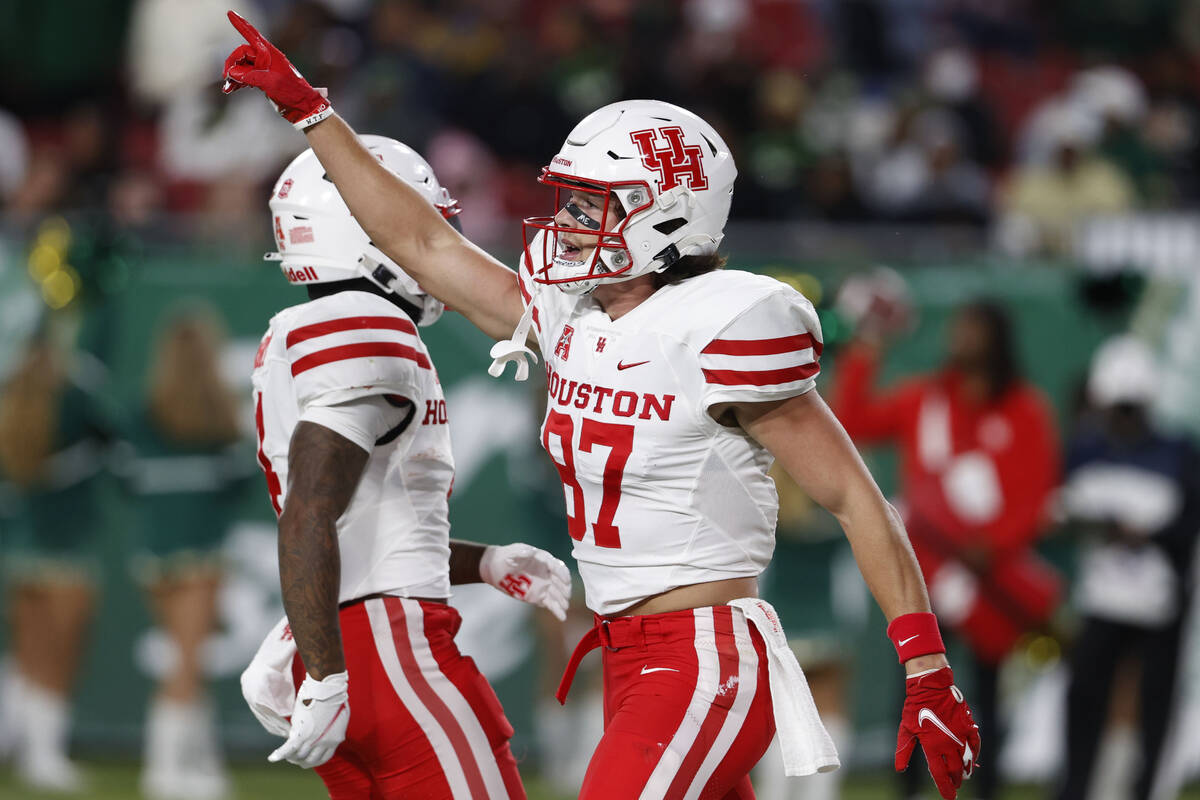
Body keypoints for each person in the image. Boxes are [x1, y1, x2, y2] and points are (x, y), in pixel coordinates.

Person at [220, 13, 980, 799]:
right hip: (626, 654)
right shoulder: (570, 316)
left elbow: (855, 496)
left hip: (705, 656)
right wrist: (313, 115)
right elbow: (425, 246)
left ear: (669, 213)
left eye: (593, 206)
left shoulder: (721, 325)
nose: (569, 225)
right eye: (572, 203)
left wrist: (925, 664)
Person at [236, 134, 572, 799]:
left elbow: (364, 532)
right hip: (389, 659)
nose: (431, 240)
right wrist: (332, 674)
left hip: (344, 647)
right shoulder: (366, 323)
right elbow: (311, 509)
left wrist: (484, 563)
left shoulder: (297, 331)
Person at [830, 294, 1061, 800]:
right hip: (929, 577)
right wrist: (867, 348)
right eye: (958, 326)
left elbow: (1037, 493)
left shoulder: (1024, 409)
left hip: (991, 579)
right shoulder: (924, 399)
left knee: (990, 692)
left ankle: (988, 786)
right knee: (917, 685)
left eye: (972, 326)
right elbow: (852, 422)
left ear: (996, 338)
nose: (960, 336)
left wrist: (994, 544)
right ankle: (908, 789)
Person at [1056, 336, 1199, 800]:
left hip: (1160, 602)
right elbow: (1062, 511)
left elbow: (1187, 523)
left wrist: (1147, 535)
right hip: (1102, 599)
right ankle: (1076, 789)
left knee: (1155, 709)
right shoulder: (1085, 450)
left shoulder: (1177, 452)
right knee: (1084, 701)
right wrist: (1101, 526)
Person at [119, 307, 254, 800]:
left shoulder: (141, 413)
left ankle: (199, 762)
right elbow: (238, 484)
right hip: (201, 553)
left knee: (184, 657)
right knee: (186, 661)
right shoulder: (221, 416)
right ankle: (162, 770)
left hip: (153, 555)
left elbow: (126, 480)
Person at [0, 332, 113, 794]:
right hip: (67, 557)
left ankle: (27, 749)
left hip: (23, 557)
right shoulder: (71, 405)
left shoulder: (13, 408)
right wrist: (85, 376)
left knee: (29, 656)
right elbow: (109, 426)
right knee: (58, 660)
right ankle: (43, 755)